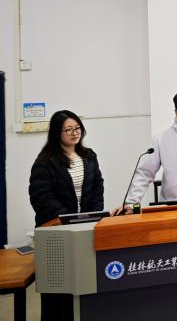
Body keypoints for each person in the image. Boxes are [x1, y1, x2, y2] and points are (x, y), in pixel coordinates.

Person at [28, 110, 104, 321]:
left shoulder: (89, 156)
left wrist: (94, 214)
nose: (74, 133)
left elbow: (98, 187)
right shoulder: (46, 161)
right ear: (56, 133)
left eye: (77, 128)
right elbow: (41, 197)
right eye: (68, 129)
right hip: (57, 231)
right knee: (58, 287)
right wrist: (68, 219)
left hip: (85, 228)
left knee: (85, 281)